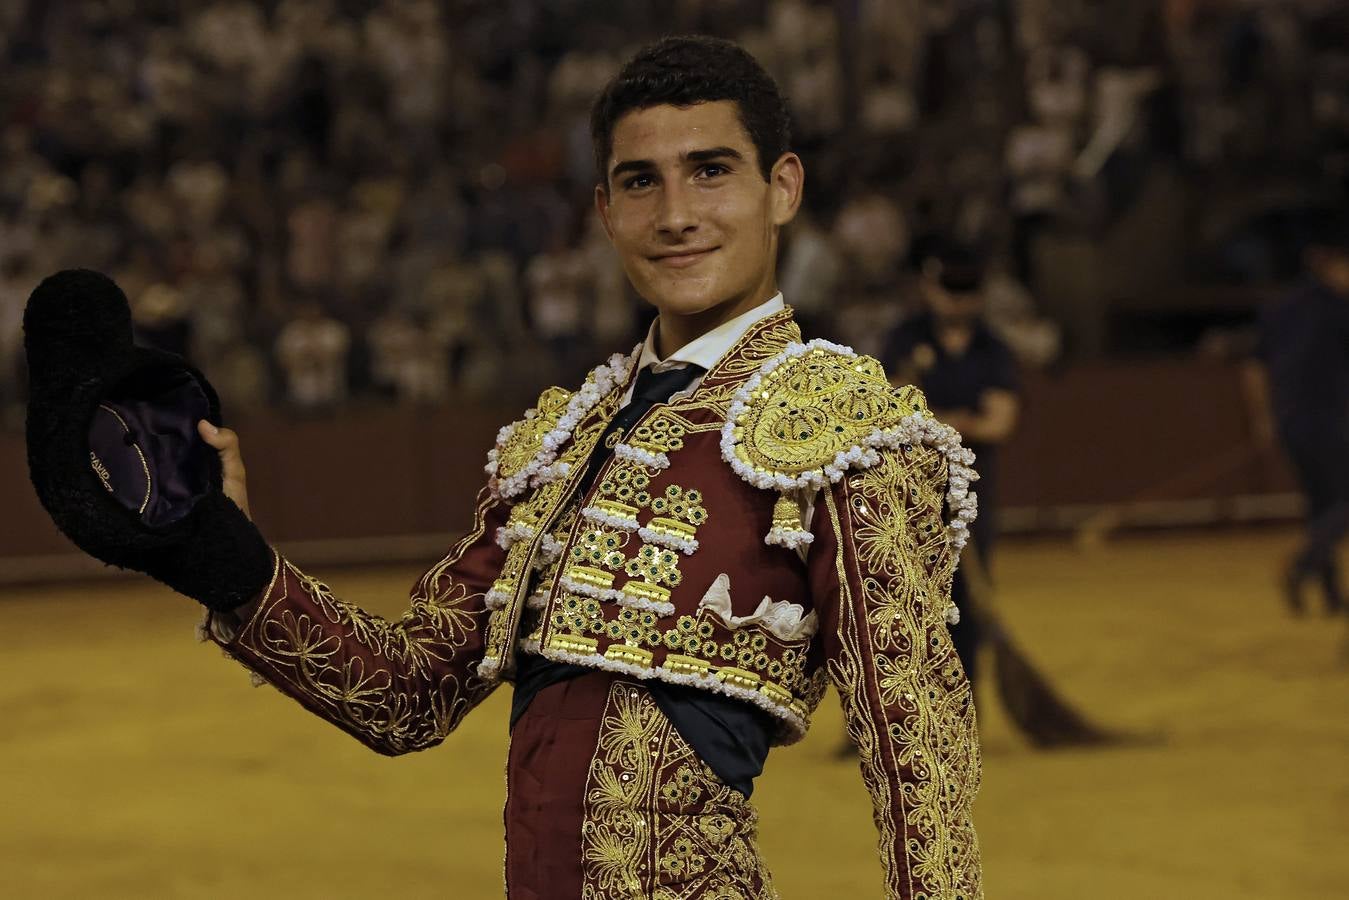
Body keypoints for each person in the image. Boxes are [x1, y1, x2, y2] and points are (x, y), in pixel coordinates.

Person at [197, 37, 982, 899]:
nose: (675, 214)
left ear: (782, 189)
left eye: (711, 170)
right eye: (642, 181)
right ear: (606, 211)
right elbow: (404, 698)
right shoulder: (559, 441)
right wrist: (219, 554)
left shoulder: (845, 427)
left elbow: (919, 759)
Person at [882, 241, 1020, 693]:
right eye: (949, 290)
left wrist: (936, 418)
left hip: (970, 491)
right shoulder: (904, 338)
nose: (957, 300)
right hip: (911, 488)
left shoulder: (993, 348)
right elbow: (894, 411)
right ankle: (893, 707)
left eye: (967, 291)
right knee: (902, 599)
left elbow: (999, 424)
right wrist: (962, 420)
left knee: (966, 602)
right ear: (929, 288)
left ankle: (965, 701)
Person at [1248, 226, 1349, 616]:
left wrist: (1264, 418)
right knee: (1341, 502)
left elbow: (1255, 367)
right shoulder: (1341, 309)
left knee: (1320, 505)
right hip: (1330, 419)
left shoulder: (1278, 307)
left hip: (1289, 421)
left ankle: (1331, 594)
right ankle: (1302, 566)